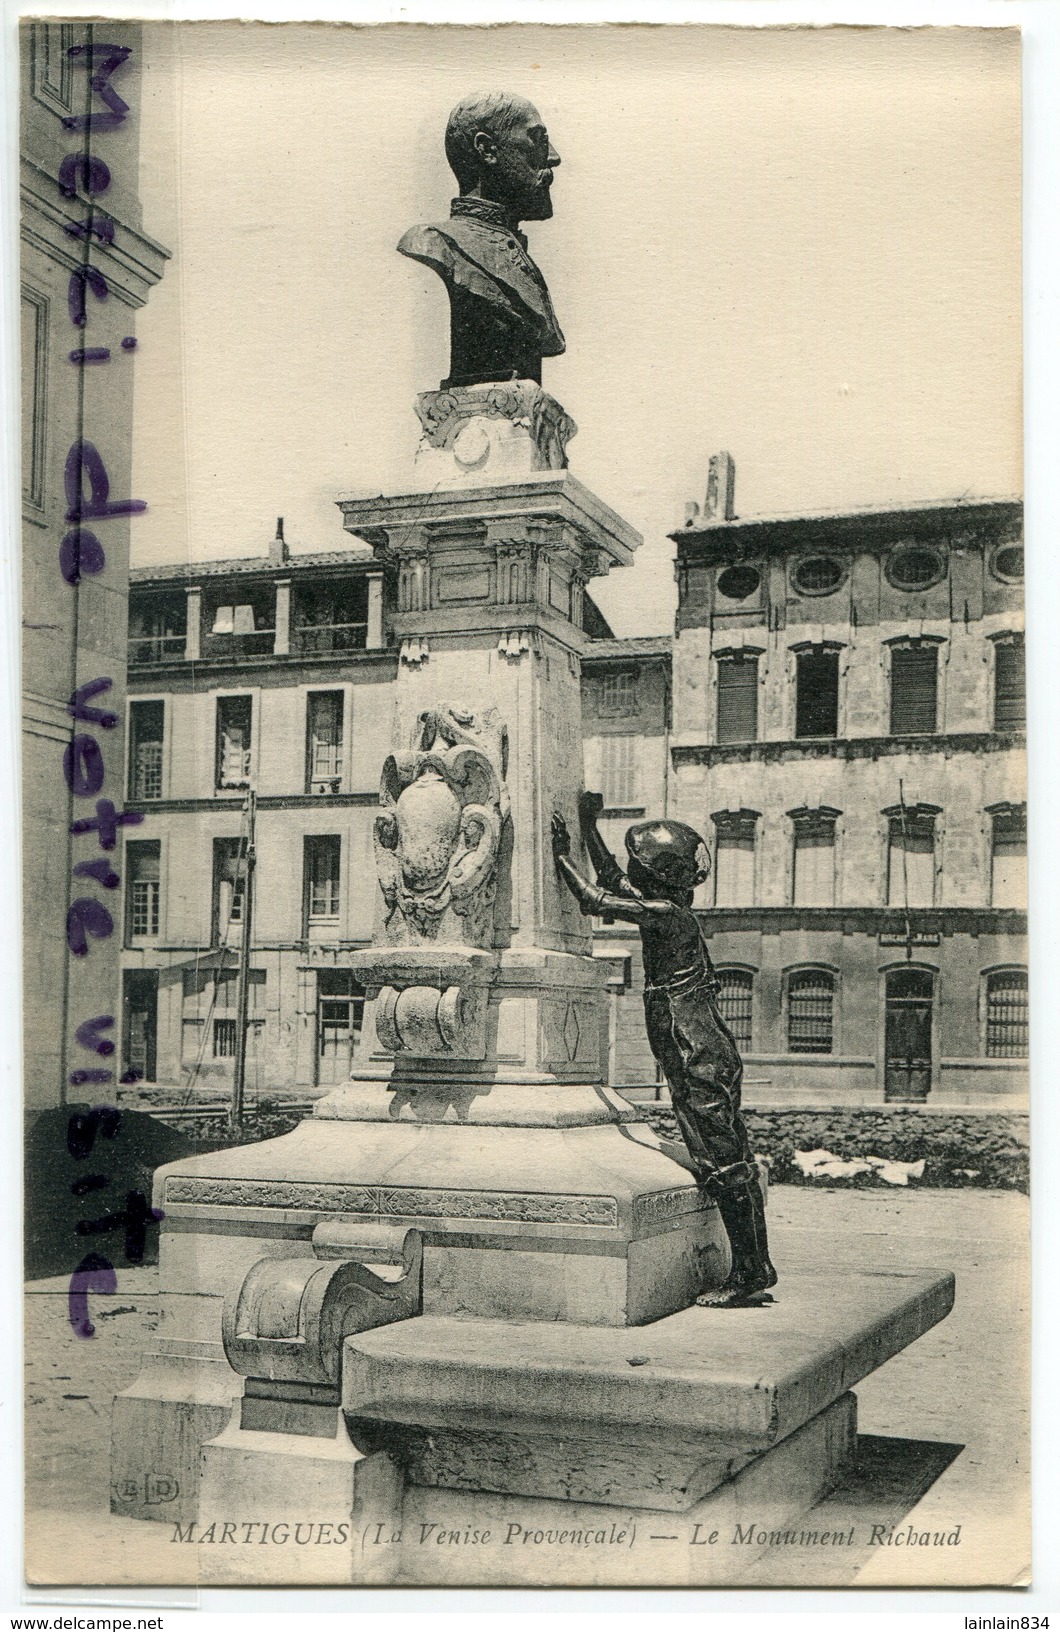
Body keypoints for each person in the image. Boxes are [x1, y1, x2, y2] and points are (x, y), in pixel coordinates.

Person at [552, 793, 777, 1308]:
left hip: (695, 1049)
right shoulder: (667, 909)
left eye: (641, 867)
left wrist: (561, 853)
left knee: (726, 1165)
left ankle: (751, 1271)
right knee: (724, 1158)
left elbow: (595, 900)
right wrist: (590, 826)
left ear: (659, 876)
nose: (633, 873)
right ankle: (754, 1266)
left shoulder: (668, 917)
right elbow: (611, 883)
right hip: (696, 1047)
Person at [398, 91, 565, 388]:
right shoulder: (439, 242)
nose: (553, 156)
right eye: (537, 139)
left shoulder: (514, 249)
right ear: (487, 149)